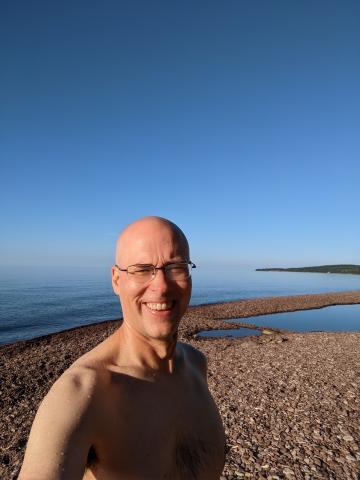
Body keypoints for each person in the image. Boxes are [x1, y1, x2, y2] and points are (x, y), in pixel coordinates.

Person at [18, 216, 225, 480]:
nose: (161, 286)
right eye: (141, 269)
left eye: (175, 266)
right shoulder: (82, 393)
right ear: (116, 280)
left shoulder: (196, 364)